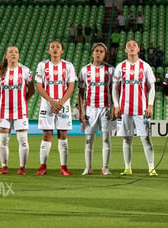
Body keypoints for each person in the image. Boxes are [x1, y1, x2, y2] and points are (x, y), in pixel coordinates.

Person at [112, 40, 157, 176]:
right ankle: (127, 167)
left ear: (138, 49)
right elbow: (114, 88)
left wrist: (150, 105)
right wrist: (116, 105)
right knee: (127, 138)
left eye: (134, 45)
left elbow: (152, 87)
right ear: (125, 50)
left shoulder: (145, 66)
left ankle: (151, 167)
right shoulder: (120, 66)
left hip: (141, 108)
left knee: (146, 138)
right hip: (125, 109)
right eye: (129, 46)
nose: (131, 47)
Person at [35, 40, 77, 176]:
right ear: (49, 50)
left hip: (63, 105)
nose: (54, 49)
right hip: (47, 104)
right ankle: (43, 167)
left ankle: (64, 167)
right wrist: (52, 102)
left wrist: (61, 103)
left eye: (57, 47)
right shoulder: (42, 65)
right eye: (52, 47)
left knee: (62, 135)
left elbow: (71, 86)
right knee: (46, 135)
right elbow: (39, 86)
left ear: (62, 51)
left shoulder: (68, 66)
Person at [0, 46, 35, 175]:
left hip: (20, 110)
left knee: (22, 140)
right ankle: (4, 166)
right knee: (3, 139)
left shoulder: (26, 71)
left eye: (16, 52)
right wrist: (4, 99)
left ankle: (22, 167)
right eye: (10, 52)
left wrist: (23, 100)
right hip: (4, 110)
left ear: (18, 55)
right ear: (6, 55)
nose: (13, 54)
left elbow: (32, 90)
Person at [78, 43, 115, 175]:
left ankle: (105, 167)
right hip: (90, 109)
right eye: (96, 51)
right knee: (89, 139)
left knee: (106, 138)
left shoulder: (110, 70)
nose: (98, 53)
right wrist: (81, 111)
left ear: (105, 55)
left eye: (101, 51)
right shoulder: (85, 70)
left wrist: (115, 107)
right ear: (92, 53)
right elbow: (80, 93)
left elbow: (115, 90)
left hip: (106, 108)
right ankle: (88, 168)